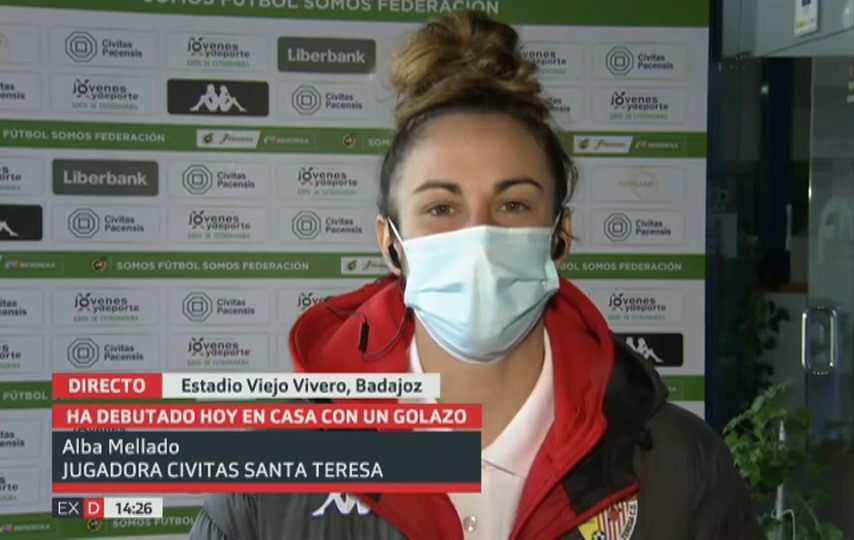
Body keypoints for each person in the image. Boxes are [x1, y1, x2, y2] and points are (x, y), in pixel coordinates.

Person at [190, 9, 763, 540]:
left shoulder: (678, 466)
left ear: (560, 234)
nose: (480, 237)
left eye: (514, 205)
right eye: (441, 207)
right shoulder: (272, 474)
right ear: (391, 244)